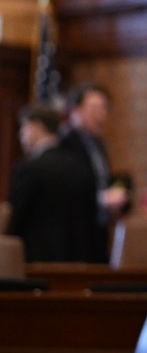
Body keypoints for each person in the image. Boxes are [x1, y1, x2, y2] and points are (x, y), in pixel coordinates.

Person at [9, 104, 96, 262]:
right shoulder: (81, 165)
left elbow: (17, 217)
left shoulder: (30, 168)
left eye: (24, 128)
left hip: (36, 258)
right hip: (78, 259)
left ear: (37, 127)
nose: (20, 135)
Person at [58, 83, 127, 262]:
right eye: (94, 108)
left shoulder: (98, 143)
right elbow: (65, 189)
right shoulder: (63, 145)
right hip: (74, 232)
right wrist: (99, 198)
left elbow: (100, 179)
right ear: (76, 110)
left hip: (98, 228)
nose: (101, 115)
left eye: (104, 108)